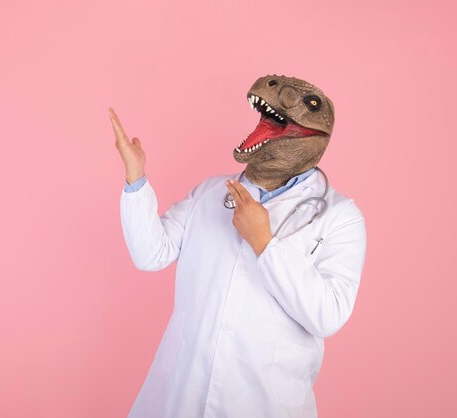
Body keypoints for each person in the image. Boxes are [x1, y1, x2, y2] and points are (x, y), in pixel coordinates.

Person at [109, 74, 367, 418]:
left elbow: (328, 315)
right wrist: (135, 175)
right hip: (183, 388)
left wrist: (265, 243)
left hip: (263, 401)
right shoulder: (210, 193)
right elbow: (150, 253)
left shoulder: (340, 216)